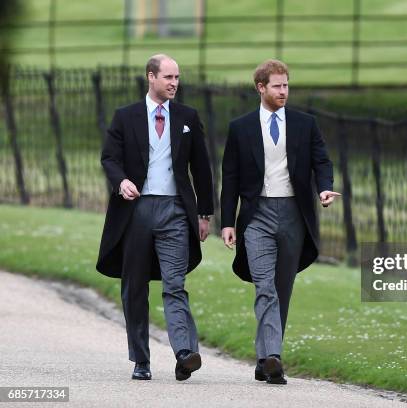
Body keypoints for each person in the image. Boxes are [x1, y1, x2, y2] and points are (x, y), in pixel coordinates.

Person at [220, 59, 340, 385]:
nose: (283, 91)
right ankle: (274, 357)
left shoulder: (305, 124)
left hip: (293, 215)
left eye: (286, 85)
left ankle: (264, 361)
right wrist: (227, 221)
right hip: (256, 216)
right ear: (261, 87)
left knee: (282, 289)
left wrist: (324, 188)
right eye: (277, 86)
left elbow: (321, 161)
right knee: (265, 287)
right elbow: (229, 177)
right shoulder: (241, 127)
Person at [96, 54, 214, 381]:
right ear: (151, 77)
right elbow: (109, 157)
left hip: (176, 210)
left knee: (175, 284)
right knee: (135, 286)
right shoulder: (125, 117)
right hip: (136, 212)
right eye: (168, 78)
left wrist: (205, 213)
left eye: (177, 78)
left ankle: (185, 353)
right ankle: (141, 360)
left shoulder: (188, 117)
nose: (174, 83)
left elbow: (202, 168)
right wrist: (121, 182)